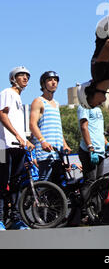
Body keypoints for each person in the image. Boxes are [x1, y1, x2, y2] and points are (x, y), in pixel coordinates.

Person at [0, 66, 33, 230]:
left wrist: (26, 140)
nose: (25, 78)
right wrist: (18, 136)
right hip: (3, 146)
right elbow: (2, 114)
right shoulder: (7, 93)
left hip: (17, 147)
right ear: (13, 79)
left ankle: (14, 218)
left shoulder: (19, 100)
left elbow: (17, 126)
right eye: (21, 75)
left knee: (16, 184)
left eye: (27, 76)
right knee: (2, 182)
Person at [29, 71, 71, 182]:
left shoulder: (56, 104)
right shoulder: (38, 101)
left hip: (58, 152)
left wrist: (65, 145)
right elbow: (32, 125)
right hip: (45, 151)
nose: (54, 82)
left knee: (58, 186)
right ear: (43, 84)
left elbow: (58, 129)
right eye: (50, 80)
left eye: (56, 80)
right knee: (45, 183)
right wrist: (42, 141)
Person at [77, 101, 105, 222]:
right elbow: (84, 126)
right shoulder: (84, 106)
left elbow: (99, 130)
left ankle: (97, 212)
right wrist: (90, 147)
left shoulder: (98, 109)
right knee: (90, 181)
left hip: (100, 150)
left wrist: (108, 144)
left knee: (99, 183)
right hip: (89, 150)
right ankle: (86, 213)